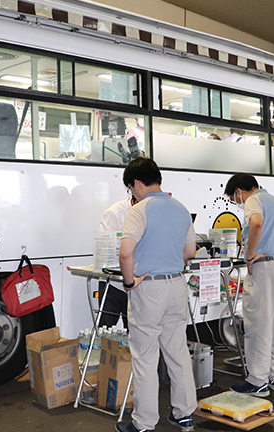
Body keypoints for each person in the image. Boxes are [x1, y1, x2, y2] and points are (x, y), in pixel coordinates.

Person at [116, 158, 197, 432]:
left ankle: (144, 423)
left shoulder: (140, 211)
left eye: (131, 189)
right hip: (177, 285)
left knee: (145, 356)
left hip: (148, 288)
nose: (132, 194)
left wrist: (129, 283)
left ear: (137, 183)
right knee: (177, 351)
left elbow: (125, 252)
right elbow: (189, 252)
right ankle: (184, 413)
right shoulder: (181, 208)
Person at [224, 173, 274, 397]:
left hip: (266, 269)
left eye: (234, 198)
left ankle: (257, 381)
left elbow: (256, 222)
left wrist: (251, 255)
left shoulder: (253, 200)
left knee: (258, 325)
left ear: (239, 191)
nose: (238, 202)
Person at [97, 192, 139, 328]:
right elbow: (103, 247)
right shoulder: (115, 212)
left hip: (139, 282)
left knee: (135, 330)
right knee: (106, 330)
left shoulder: (153, 212)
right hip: (113, 283)